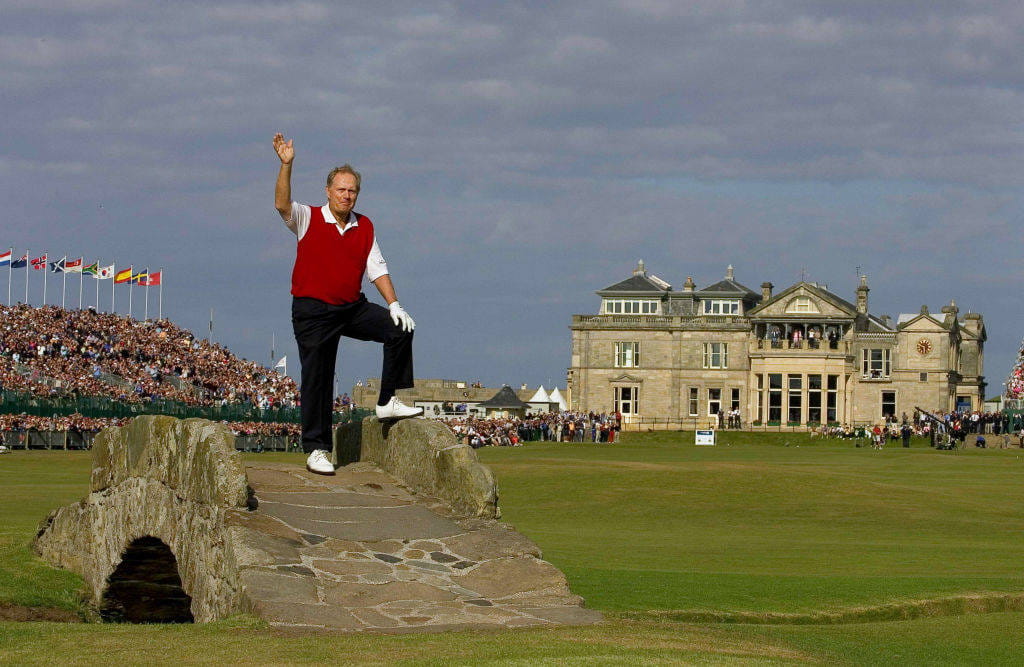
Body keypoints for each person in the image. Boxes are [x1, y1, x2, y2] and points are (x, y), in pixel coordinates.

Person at [273, 133, 422, 476]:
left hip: (350, 306)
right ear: (328, 191)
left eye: (352, 190)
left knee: (398, 329)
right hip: (312, 310)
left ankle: (387, 401)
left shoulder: (364, 225)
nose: (346, 195)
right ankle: (316, 448)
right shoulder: (309, 217)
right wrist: (286, 164)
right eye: (341, 189)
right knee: (319, 376)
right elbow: (282, 205)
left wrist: (395, 303)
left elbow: (377, 268)